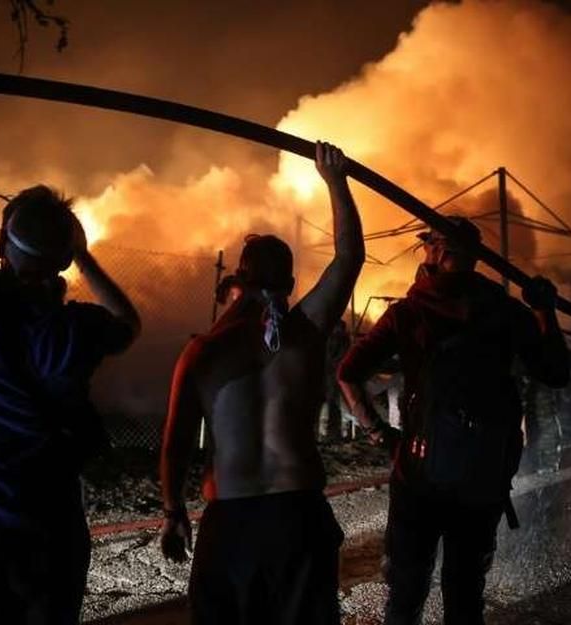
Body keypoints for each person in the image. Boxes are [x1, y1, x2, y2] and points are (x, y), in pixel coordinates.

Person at [0, 65, 141, 624]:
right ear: (62, 259)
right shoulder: (73, 332)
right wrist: (85, 255)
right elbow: (126, 322)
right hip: (48, 530)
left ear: (5, 232)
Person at [159, 142, 364, 625]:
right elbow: (350, 257)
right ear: (291, 284)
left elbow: (175, 445)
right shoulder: (306, 331)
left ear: (239, 277)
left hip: (231, 521)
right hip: (296, 516)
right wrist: (335, 180)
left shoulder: (203, 351)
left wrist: (173, 512)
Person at [336, 216, 570, 625]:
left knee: (406, 596)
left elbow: (347, 373)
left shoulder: (407, 314)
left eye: (434, 243)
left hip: (418, 473)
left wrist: (382, 436)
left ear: (434, 250)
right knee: (464, 597)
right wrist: (544, 313)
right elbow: (556, 370)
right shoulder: (506, 311)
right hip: (482, 477)